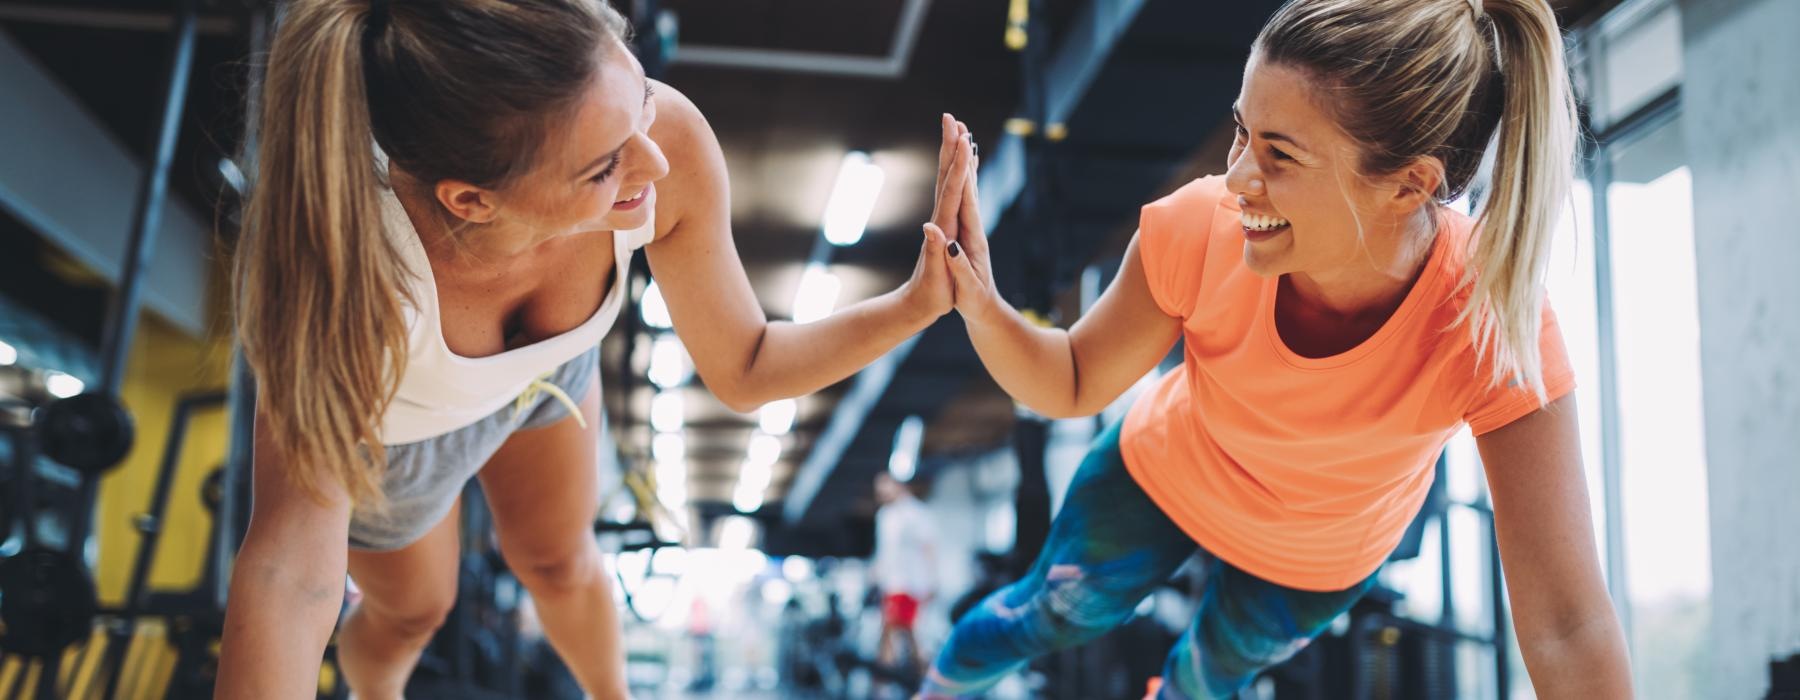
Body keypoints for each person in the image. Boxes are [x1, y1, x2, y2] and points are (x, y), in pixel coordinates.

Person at [214, 1, 974, 697]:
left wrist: (917, 303)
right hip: (397, 425)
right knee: (417, 609)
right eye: (603, 167)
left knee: (562, 565)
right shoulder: (342, 267)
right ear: (471, 201)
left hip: (547, 369)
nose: (657, 164)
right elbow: (288, 575)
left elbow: (745, 368)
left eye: (639, 98)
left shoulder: (660, 138)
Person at [920, 0, 1632, 697]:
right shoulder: (1201, 227)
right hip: (1167, 473)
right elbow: (1072, 381)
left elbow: (1567, 626)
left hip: (1316, 556)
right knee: (1047, 615)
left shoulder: (1492, 321)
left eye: (1278, 154)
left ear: (1409, 185)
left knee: (1206, 680)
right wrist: (982, 307)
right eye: (1242, 132)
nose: (1236, 179)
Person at [872, 473, 938, 678]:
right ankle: (884, 685)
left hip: (911, 585)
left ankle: (928, 684)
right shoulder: (885, 516)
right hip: (891, 584)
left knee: (911, 635)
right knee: (889, 632)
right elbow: (884, 551)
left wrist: (932, 581)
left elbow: (928, 548)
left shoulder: (916, 513)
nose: (882, 493)